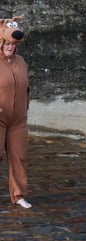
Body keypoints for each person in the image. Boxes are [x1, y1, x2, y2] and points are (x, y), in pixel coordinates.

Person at [0, 16, 31, 208]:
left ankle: (18, 195)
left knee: (19, 157)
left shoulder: (21, 62)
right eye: (6, 43)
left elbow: (27, 88)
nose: (10, 47)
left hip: (18, 119)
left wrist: (25, 108)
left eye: (12, 44)